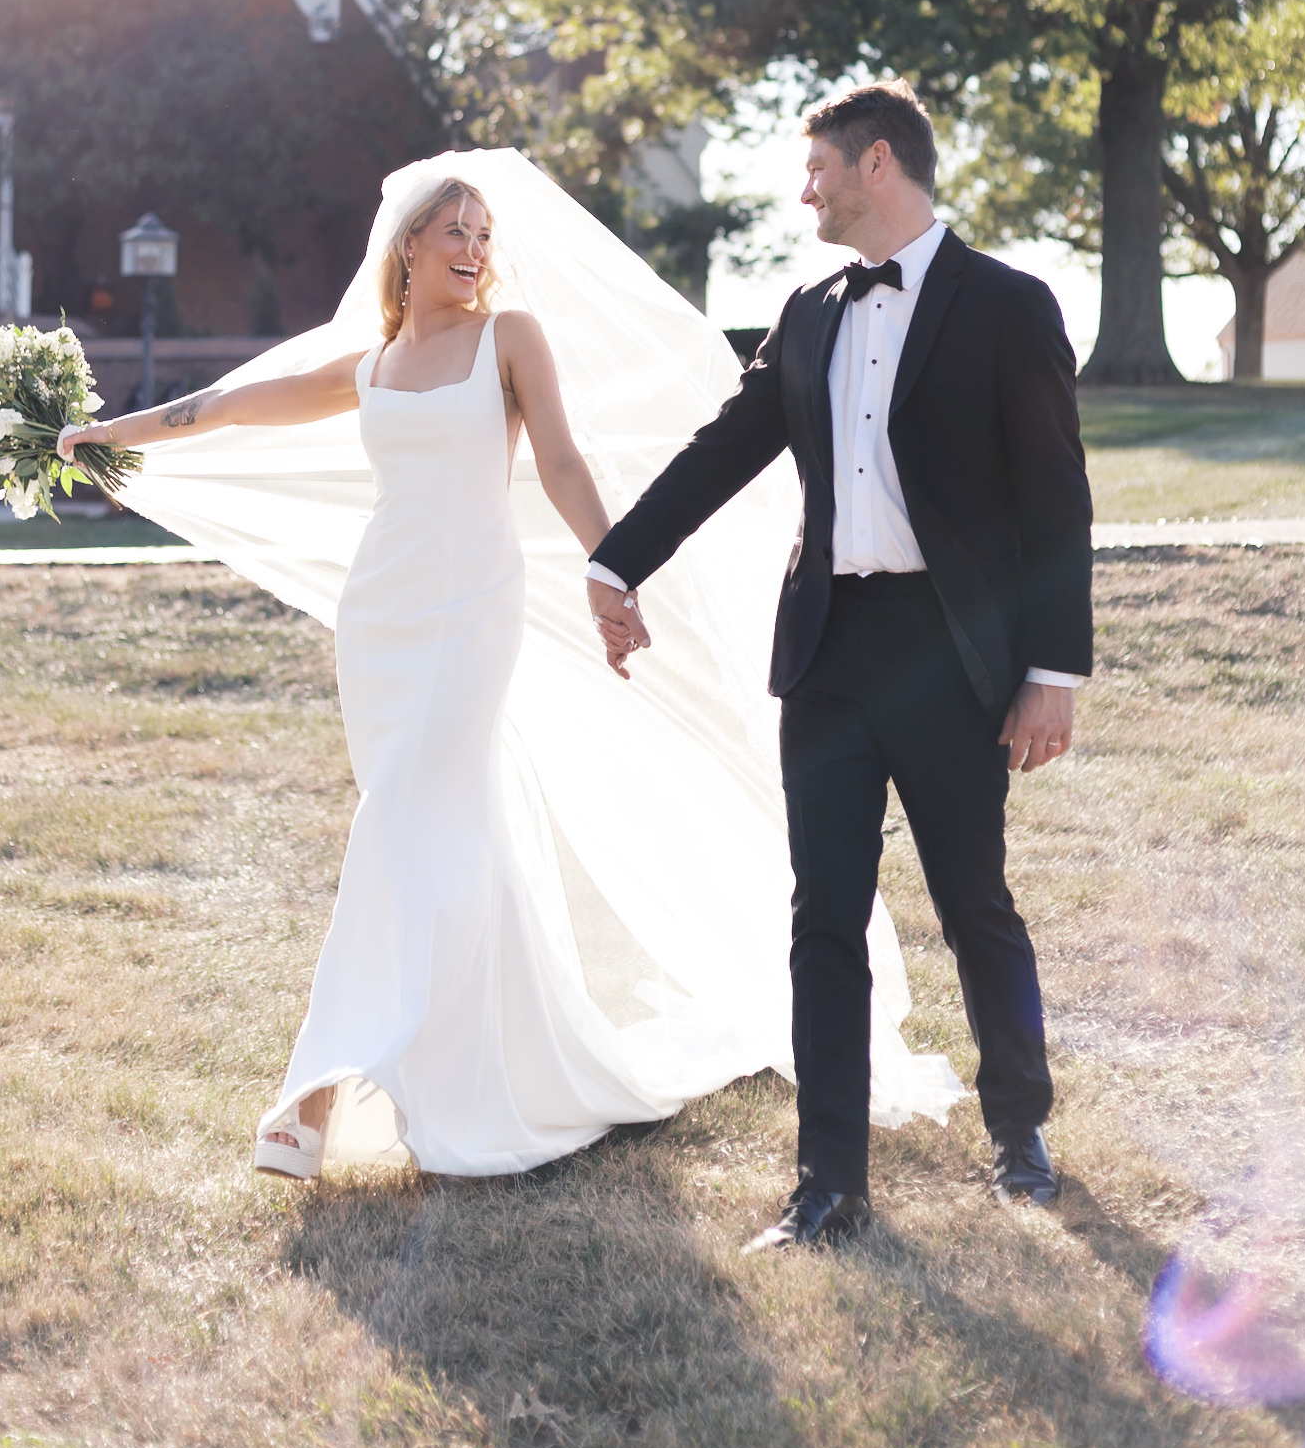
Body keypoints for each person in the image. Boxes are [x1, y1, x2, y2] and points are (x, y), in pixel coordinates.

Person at [60, 151, 965, 1181]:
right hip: (383, 618)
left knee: (400, 818)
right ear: (407, 246)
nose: (473, 249)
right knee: (439, 827)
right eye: (454, 231)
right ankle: (488, 1055)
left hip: (468, 614)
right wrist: (108, 435)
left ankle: (316, 1090)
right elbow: (230, 404)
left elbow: (566, 462)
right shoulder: (374, 363)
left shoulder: (510, 339)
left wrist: (618, 571)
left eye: (484, 235)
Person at [587, 81, 1092, 1250]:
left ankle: (1021, 1132)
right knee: (822, 913)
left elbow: (1057, 499)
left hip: (953, 653)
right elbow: (725, 449)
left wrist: (1053, 667)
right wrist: (619, 560)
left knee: (975, 903)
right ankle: (829, 1185)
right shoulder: (808, 311)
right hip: (825, 652)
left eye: (814, 167)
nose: (802, 189)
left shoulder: (1010, 305)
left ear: (875, 163)